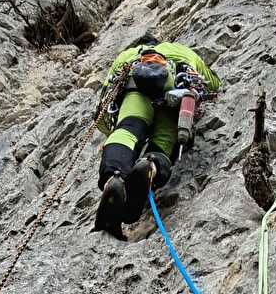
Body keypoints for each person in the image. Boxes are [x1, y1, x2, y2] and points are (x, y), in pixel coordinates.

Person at [94, 33, 220, 238]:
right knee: (163, 141)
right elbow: (213, 83)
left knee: (126, 130)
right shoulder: (181, 51)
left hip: (134, 91)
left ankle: (113, 177)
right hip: (173, 94)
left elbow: (107, 93)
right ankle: (150, 167)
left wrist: (110, 132)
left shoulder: (129, 54)